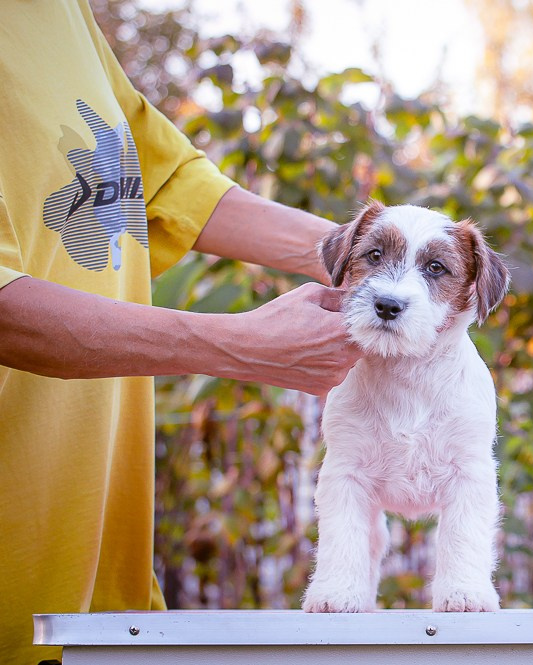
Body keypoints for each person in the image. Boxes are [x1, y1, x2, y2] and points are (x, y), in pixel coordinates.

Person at [0, 2, 363, 662]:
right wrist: (240, 343)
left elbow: (160, 178)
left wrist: (366, 250)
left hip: (105, 606)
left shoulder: (55, 11)